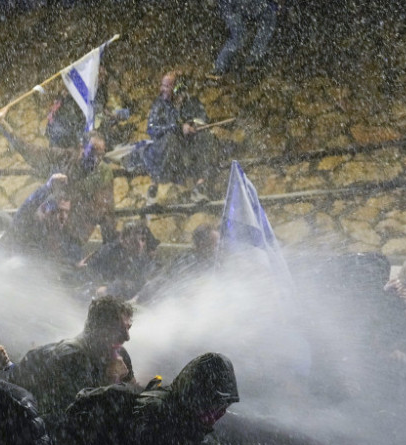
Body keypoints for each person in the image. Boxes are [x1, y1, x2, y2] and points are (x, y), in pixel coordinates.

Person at [0, 109, 117, 244]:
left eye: (101, 155)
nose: (96, 159)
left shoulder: (103, 174)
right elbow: (32, 152)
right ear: (82, 147)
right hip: (44, 231)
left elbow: (107, 212)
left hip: (70, 240)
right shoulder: (63, 158)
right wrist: (5, 128)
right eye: (92, 152)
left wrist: (108, 249)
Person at [10, 295, 136, 428]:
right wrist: (110, 381)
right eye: (119, 330)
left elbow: (135, 396)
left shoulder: (121, 353)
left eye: (128, 328)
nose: (127, 337)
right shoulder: (71, 358)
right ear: (99, 329)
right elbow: (73, 416)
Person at [143, 71, 221, 201]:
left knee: (207, 138)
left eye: (167, 86)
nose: (162, 89)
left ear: (177, 88)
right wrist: (178, 128)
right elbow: (152, 129)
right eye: (163, 85)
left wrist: (193, 125)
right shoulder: (159, 105)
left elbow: (202, 119)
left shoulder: (192, 102)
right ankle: (155, 188)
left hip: (188, 147)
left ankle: (200, 186)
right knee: (170, 139)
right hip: (167, 149)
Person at [0, 173, 83, 266]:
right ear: (45, 212)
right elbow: (26, 209)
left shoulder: (67, 241)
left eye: (66, 212)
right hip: (15, 272)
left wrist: (76, 266)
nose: (63, 217)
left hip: (48, 276)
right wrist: (47, 188)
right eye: (57, 211)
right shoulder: (29, 228)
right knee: (18, 262)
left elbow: (74, 263)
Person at [80, 221, 160, 300]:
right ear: (123, 239)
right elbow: (87, 274)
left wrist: (137, 298)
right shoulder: (108, 252)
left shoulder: (142, 258)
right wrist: (99, 289)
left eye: (142, 240)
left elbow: (143, 282)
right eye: (134, 239)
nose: (140, 244)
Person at [212, 0, 279, 77]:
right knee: (239, 35)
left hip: (236, 6)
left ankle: (221, 68)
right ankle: (253, 59)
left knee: (239, 35)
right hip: (234, 6)